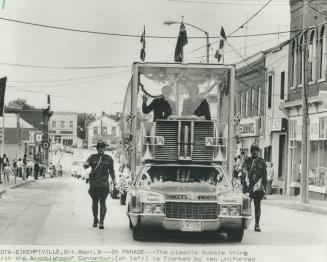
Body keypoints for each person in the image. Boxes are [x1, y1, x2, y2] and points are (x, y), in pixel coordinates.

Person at [83, 140, 117, 229]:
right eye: (100, 148)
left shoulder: (109, 159)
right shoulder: (92, 157)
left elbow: (112, 172)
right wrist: (86, 164)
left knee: (103, 203)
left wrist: (115, 182)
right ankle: (95, 219)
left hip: (104, 185)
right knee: (94, 203)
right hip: (94, 184)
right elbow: (85, 165)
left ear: (104, 148)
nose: (101, 149)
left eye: (103, 148)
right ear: (97, 149)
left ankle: (101, 221)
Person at [241, 143, 267, 232]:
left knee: (257, 207)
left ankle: (257, 224)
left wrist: (264, 188)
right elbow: (243, 172)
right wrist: (244, 185)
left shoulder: (262, 162)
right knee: (245, 207)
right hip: (248, 187)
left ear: (259, 152)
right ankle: (243, 224)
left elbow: (264, 176)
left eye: (257, 151)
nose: (255, 152)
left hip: (258, 187)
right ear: (251, 152)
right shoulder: (247, 161)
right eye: (253, 151)